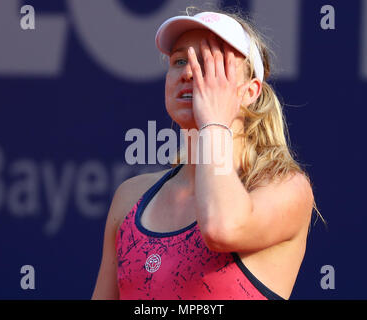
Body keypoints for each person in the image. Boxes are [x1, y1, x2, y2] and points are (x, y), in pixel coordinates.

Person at [92, 7, 322, 300]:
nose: (189, 72)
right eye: (179, 61)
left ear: (249, 91)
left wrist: (213, 122)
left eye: (211, 63)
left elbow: (221, 229)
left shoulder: (286, 189)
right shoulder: (130, 196)